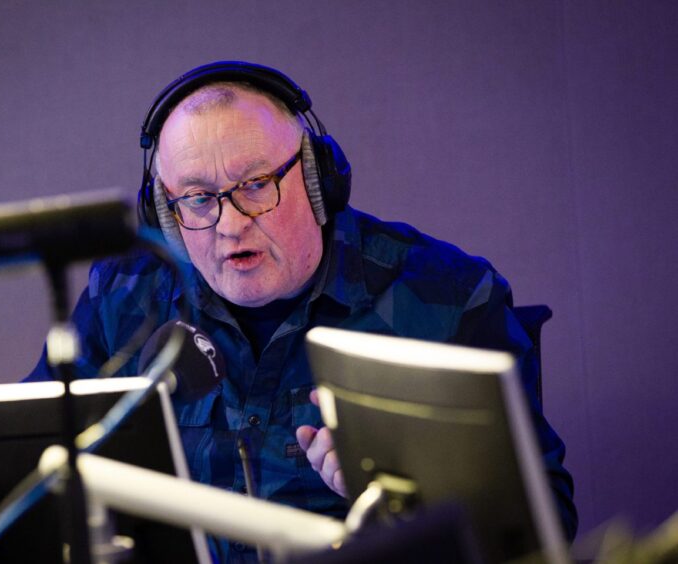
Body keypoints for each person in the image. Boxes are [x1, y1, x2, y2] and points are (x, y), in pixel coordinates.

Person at [28, 61, 576, 561]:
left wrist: (408, 498)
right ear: (164, 214)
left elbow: (543, 523)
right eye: (197, 198)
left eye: (256, 184)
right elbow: (27, 465)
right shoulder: (125, 298)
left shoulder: (447, 298)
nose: (231, 222)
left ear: (317, 178)